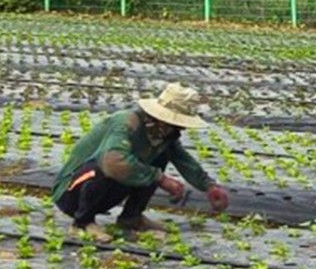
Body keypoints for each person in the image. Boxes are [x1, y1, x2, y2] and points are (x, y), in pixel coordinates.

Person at [52, 82, 229, 242]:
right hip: (71, 192)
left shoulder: (163, 134)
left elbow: (182, 159)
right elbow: (112, 162)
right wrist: (160, 178)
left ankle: (131, 217)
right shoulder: (127, 123)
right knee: (109, 162)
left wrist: (209, 186)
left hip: (104, 193)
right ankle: (82, 223)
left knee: (159, 157)